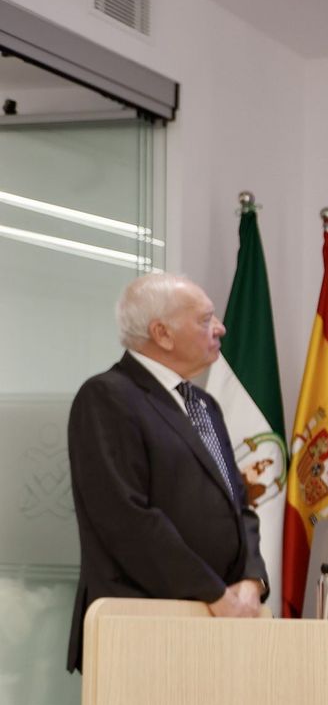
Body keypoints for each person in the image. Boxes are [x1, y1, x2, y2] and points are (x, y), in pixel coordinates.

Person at [66, 273, 269, 672]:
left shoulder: (204, 404)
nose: (220, 328)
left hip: (219, 626)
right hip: (143, 629)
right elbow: (127, 520)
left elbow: (239, 505)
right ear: (162, 334)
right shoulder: (106, 397)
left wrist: (251, 580)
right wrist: (214, 593)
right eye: (205, 319)